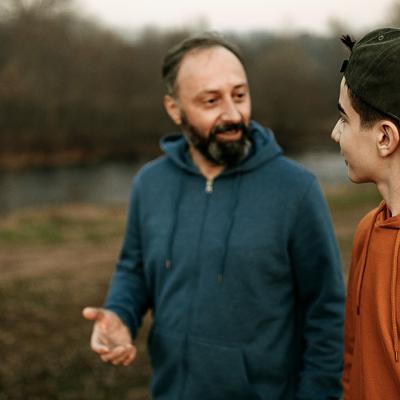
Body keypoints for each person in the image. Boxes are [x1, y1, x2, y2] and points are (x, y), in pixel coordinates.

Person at [83, 33, 345, 400]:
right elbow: (134, 268)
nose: (233, 114)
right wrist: (120, 315)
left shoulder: (296, 190)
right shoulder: (150, 183)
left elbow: (327, 311)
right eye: (211, 101)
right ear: (174, 109)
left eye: (239, 95)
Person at [331, 28, 400, 400]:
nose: (334, 133)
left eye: (344, 119)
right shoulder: (366, 231)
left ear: (385, 138)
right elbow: (353, 360)